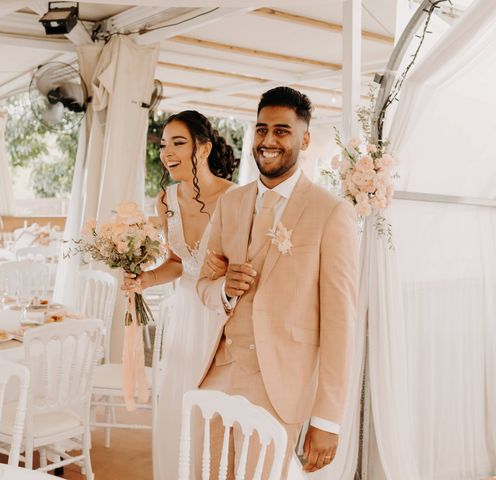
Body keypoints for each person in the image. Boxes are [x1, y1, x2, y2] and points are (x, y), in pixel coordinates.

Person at [197, 86, 358, 478]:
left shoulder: (330, 213)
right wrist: (223, 290)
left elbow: (340, 324)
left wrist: (327, 419)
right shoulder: (231, 203)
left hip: (279, 385)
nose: (268, 141)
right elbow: (205, 280)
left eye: (282, 131)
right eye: (261, 129)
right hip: (217, 373)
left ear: (304, 138)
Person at [123, 110, 239, 479]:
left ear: (202, 148)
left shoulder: (234, 198)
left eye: (178, 142)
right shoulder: (166, 200)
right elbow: (177, 262)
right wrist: (144, 279)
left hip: (222, 319)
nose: (167, 152)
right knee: (180, 407)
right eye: (163, 144)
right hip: (184, 319)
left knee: (217, 413)